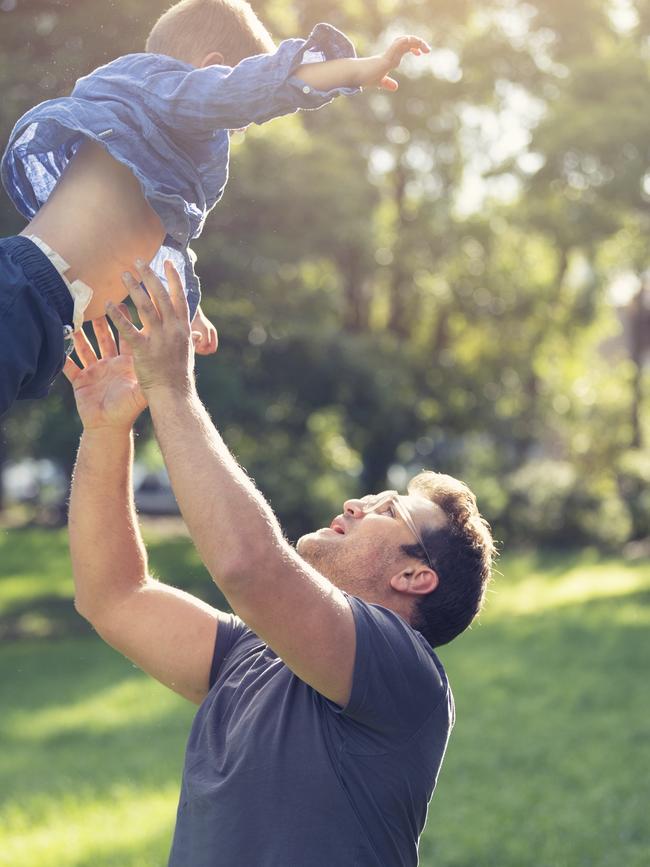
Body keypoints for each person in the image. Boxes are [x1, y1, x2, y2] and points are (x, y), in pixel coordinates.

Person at [64, 260, 496, 866]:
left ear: (413, 575)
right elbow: (112, 596)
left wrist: (171, 388)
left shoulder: (404, 671)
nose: (357, 501)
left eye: (386, 508)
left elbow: (249, 565)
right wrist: (106, 429)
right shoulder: (253, 656)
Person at [0, 0, 430, 416]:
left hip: (46, 316)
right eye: (235, 125)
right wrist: (356, 69)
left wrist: (190, 308)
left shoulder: (153, 147)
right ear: (212, 68)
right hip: (24, 290)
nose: (232, 132)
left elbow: (165, 242)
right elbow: (247, 90)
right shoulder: (164, 87)